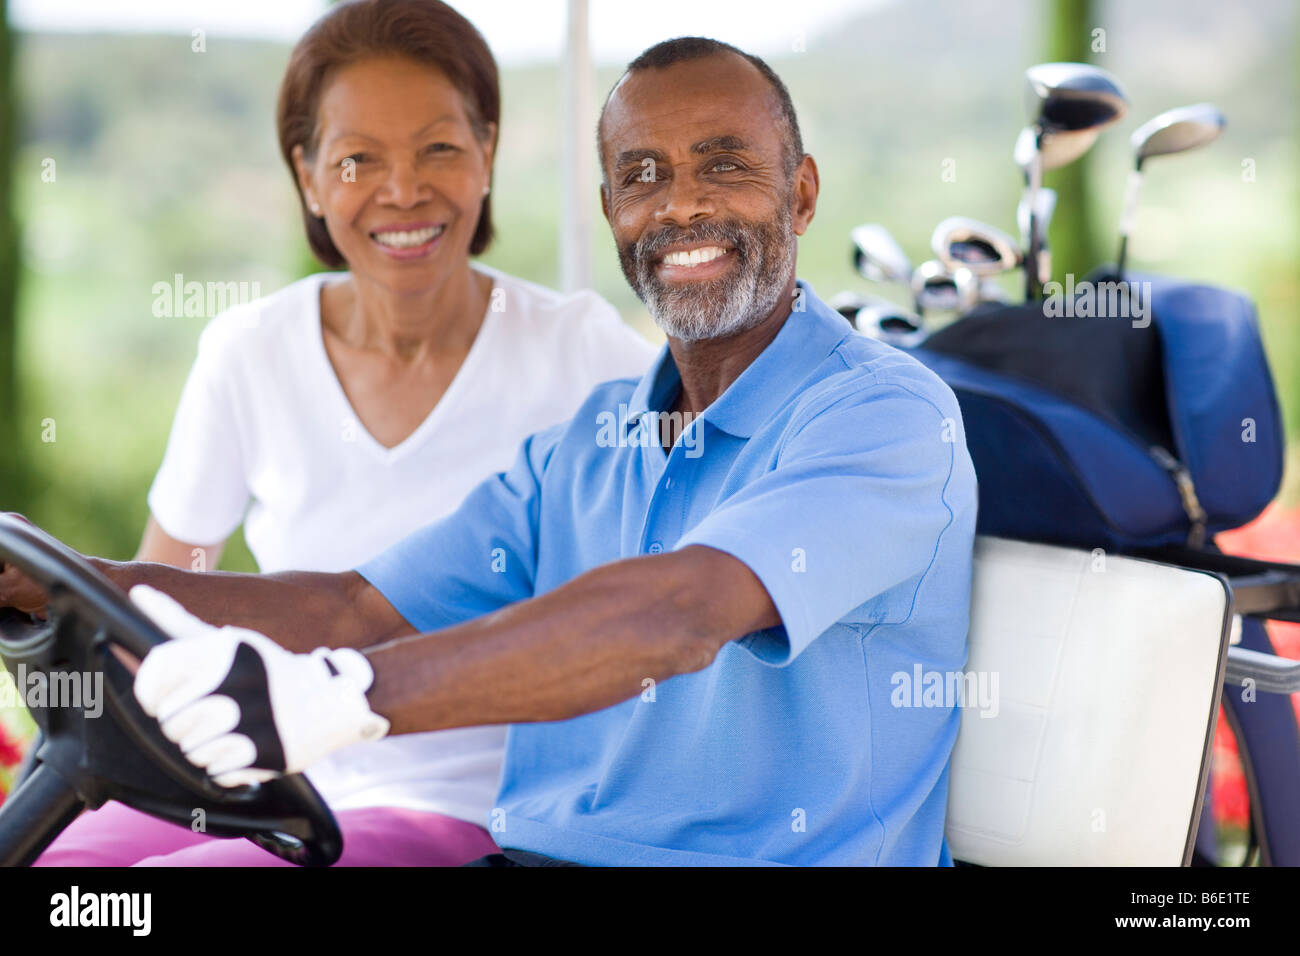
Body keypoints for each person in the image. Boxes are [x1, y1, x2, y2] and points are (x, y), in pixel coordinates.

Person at [3, 36, 977, 866]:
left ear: (800, 193)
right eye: (642, 175)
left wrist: (344, 698)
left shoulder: (882, 415)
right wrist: (61, 581)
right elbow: (348, 604)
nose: (680, 206)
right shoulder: (589, 443)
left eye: (724, 164)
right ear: (610, 213)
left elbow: (679, 610)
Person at [29, 0, 655, 867]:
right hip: (253, 765)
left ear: (487, 155)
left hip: (475, 806)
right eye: (359, 158)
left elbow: (680, 578)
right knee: (52, 860)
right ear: (310, 177)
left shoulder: (583, 353)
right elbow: (167, 594)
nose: (403, 190)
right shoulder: (248, 352)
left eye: (439, 147)